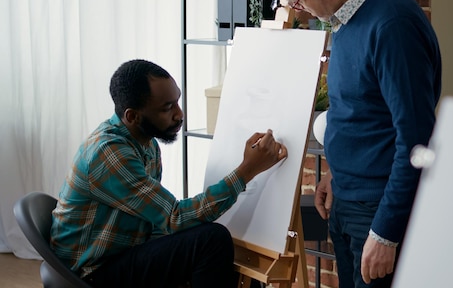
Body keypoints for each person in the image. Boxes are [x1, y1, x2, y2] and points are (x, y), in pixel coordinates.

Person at [271, 0, 442, 287]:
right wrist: (338, 175)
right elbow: (361, 113)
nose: (296, 11)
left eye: (297, 2)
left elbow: (416, 140)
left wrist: (385, 232)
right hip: (347, 198)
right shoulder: (346, 16)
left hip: (378, 210)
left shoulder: (392, 25)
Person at [49, 59, 287, 287]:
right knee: (211, 240)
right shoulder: (111, 153)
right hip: (92, 272)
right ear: (132, 116)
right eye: (167, 108)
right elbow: (174, 218)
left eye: (177, 101)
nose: (179, 114)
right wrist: (247, 170)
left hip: (122, 253)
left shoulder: (146, 143)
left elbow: (161, 221)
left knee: (208, 242)